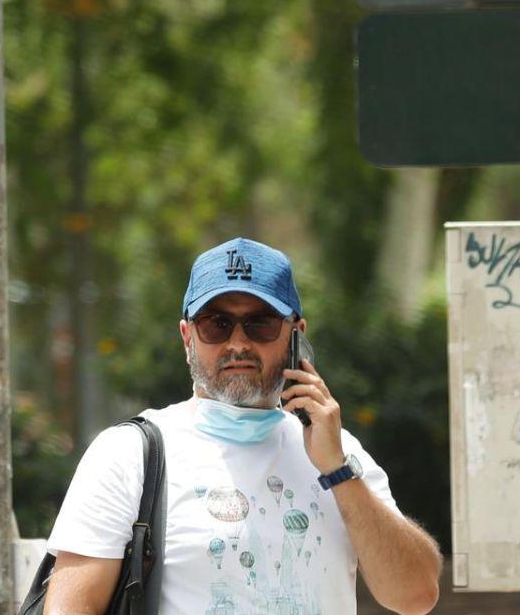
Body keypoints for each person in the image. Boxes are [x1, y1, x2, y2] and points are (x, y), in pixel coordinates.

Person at [43, 237, 442, 615]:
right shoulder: (130, 454)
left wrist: (338, 470)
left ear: (296, 336)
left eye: (260, 323)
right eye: (216, 324)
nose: (237, 343)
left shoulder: (339, 453)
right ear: (187, 337)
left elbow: (416, 596)